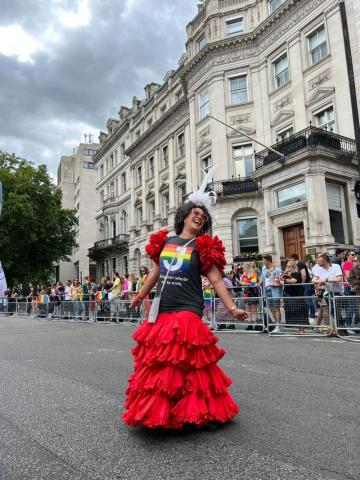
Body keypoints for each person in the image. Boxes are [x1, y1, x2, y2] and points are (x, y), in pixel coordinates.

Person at [122, 199, 249, 430]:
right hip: (163, 308)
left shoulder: (203, 246)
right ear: (184, 215)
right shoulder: (166, 241)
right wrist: (140, 296)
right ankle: (163, 413)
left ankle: (198, 412)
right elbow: (155, 272)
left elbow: (216, 279)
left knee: (190, 360)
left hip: (189, 307)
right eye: (195, 212)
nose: (199, 216)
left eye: (203, 215)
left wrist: (231, 308)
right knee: (163, 362)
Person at [282, 261, 308, 333]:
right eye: (287, 266)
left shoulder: (295, 274)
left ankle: (302, 329)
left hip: (297, 295)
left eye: (289, 266)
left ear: (293, 267)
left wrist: (285, 279)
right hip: (289, 295)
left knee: (300, 312)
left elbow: (293, 281)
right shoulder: (286, 274)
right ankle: (298, 328)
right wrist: (284, 275)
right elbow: (281, 279)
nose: (287, 267)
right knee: (295, 312)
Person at [260, 255, 283, 333]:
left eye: (264, 260)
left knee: (277, 308)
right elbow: (262, 277)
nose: (263, 262)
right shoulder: (263, 268)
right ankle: (276, 325)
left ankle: (278, 326)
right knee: (272, 309)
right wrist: (259, 282)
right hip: (266, 291)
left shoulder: (277, 270)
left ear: (268, 261)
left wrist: (275, 283)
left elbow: (281, 280)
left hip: (275, 291)